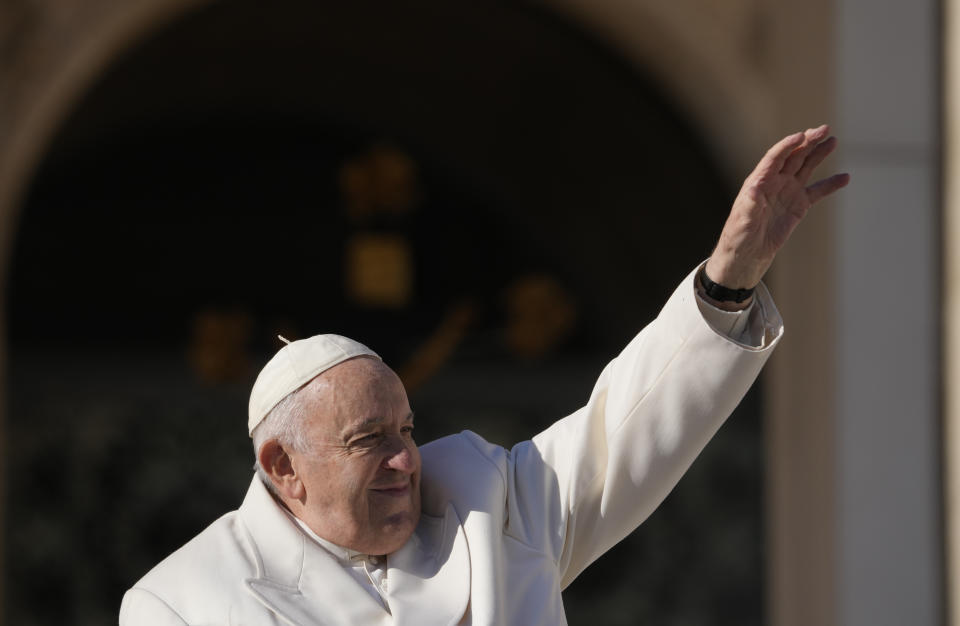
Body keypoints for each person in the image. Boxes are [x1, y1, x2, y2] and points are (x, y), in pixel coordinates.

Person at [119, 126, 849, 625]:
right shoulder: (183, 604)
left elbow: (625, 429)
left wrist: (730, 278)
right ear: (284, 466)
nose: (408, 459)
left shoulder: (481, 504)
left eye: (407, 428)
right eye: (369, 438)